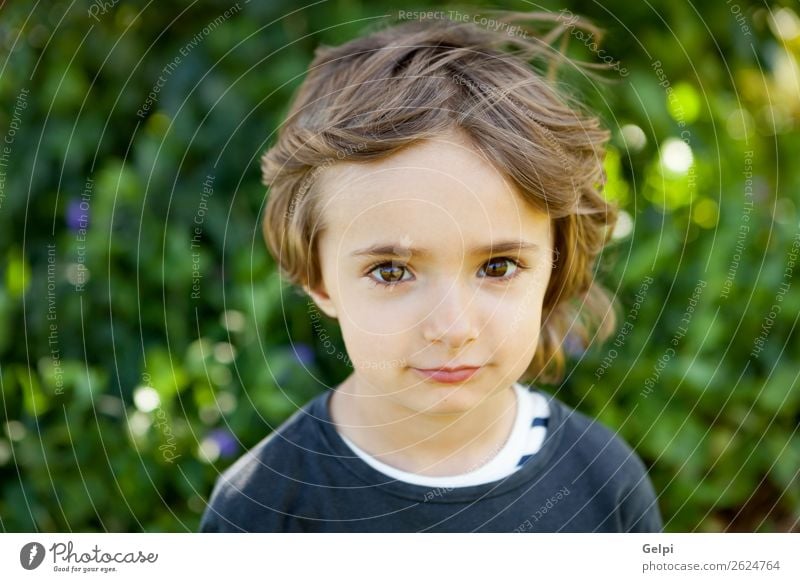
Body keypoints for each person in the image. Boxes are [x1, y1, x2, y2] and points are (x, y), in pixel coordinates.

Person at [199, 10, 663, 532]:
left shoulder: (604, 482)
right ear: (318, 277)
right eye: (392, 272)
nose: (453, 328)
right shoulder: (263, 509)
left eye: (498, 266)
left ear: (553, 267)